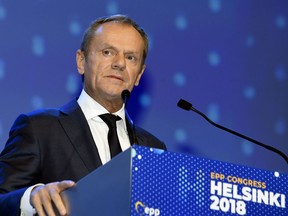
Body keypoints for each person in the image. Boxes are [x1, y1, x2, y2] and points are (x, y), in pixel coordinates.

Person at [0, 14, 166, 216]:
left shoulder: (154, 148)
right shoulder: (39, 128)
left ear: (139, 74)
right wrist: (30, 197)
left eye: (130, 57)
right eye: (108, 52)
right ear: (81, 61)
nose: (119, 64)